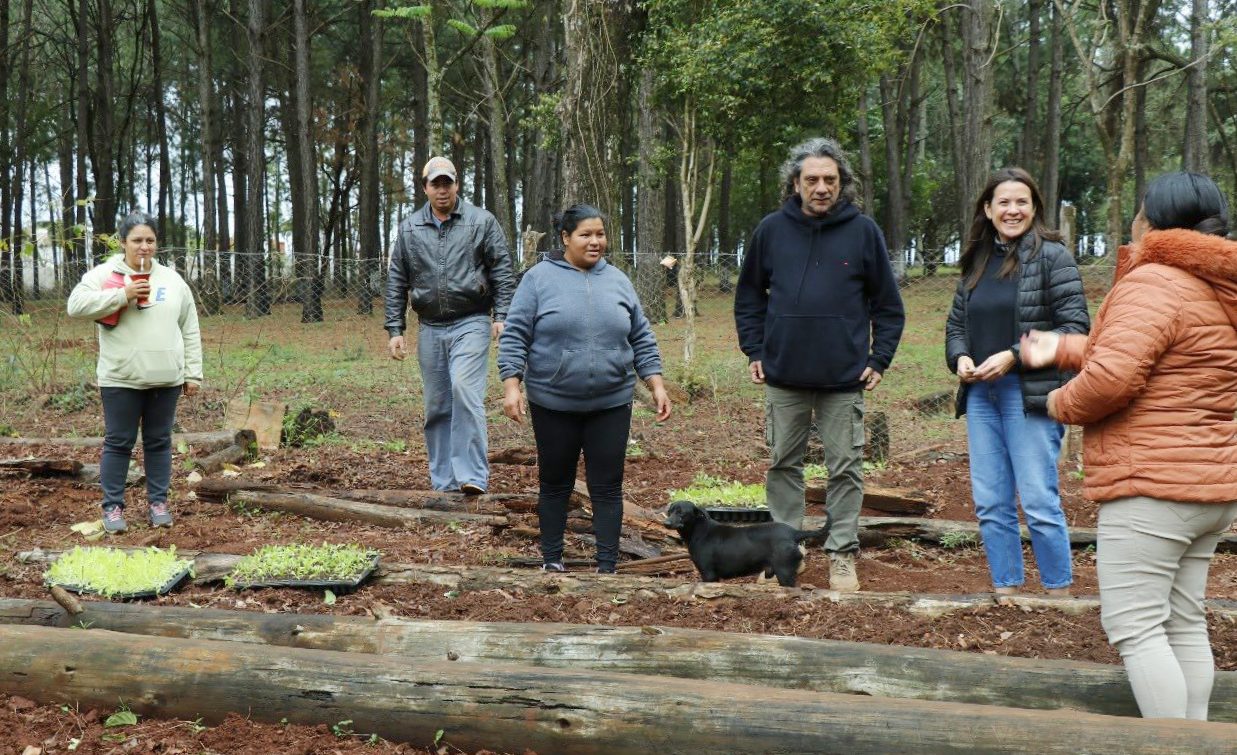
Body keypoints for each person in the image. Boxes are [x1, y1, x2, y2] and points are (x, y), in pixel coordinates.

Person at [1021, 171, 1237, 720]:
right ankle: (1195, 742)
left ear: (1152, 220)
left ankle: (1168, 749)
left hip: (1153, 485)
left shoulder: (1155, 281)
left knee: (1136, 626)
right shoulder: (1217, 283)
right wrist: (1064, 348)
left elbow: (1113, 379)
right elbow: (1169, 350)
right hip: (1208, 483)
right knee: (1182, 621)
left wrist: (1058, 403)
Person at [734, 137, 905, 592]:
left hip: (843, 378)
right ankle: (784, 552)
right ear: (795, 183)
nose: (822, 188)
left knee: (845, 468)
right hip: (783, 375)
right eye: (812, 180)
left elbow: (889, 306)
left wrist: (879, 358)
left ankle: (842, 553)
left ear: (842, 183)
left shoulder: (863, 232)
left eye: (830, 179)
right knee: (783, 465)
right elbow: (748, 297)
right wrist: (754, 350)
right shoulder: (771, 230)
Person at [498, 204, 671, 574]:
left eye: (600, 234)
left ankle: (607, 566)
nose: (595, 242)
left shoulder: (618, 280)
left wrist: (655, 383)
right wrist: (512, 385)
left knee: (607, 486)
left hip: (611, 402)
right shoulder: (538, 280)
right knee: (555, 483)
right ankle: (552, 561)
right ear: (565, 238)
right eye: (586, 235)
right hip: (553, 402)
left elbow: (641, 336)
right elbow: (514, 335)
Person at [944, 167, 1090, 597]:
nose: (1013, 210)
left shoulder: (1053, 257)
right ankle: (1006, 590)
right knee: (991, 502)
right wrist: (960, 357)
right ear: (988, 209)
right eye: (1003, 202)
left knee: (1039, 500)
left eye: (1021, 202)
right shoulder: (976, 260)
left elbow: (1076, 332)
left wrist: (1013, 356)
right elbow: (956, 325)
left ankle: (1058, 593)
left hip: (1029, 395)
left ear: (1034, 208)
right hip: (980, 395)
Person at [385, 156, 517, 495]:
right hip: (429, 326)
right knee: (437, 405)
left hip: (471, 320)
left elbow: (502, 269)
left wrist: (502, 315)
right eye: (436, 184)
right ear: (425, 188)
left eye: (448, 182)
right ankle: (444, 483)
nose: (442, 189)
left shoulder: (481, 221)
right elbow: (397, 278)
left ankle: (472, 476)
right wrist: (395, 329)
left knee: (464, 390)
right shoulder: (410, 228)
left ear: (457, 184)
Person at [66, 212, 203, 533]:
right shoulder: (105, 274)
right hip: (121, 378)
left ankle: (158, 503)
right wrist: (122, 295)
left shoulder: (172, 280)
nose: (144, 247)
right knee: (119, 443)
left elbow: (190, 327)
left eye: (150, 240)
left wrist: (193, 373)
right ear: (122, 242)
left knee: (159, 442)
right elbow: (75, 306)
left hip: (165, 378)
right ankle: (113, 508)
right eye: (137, 240)